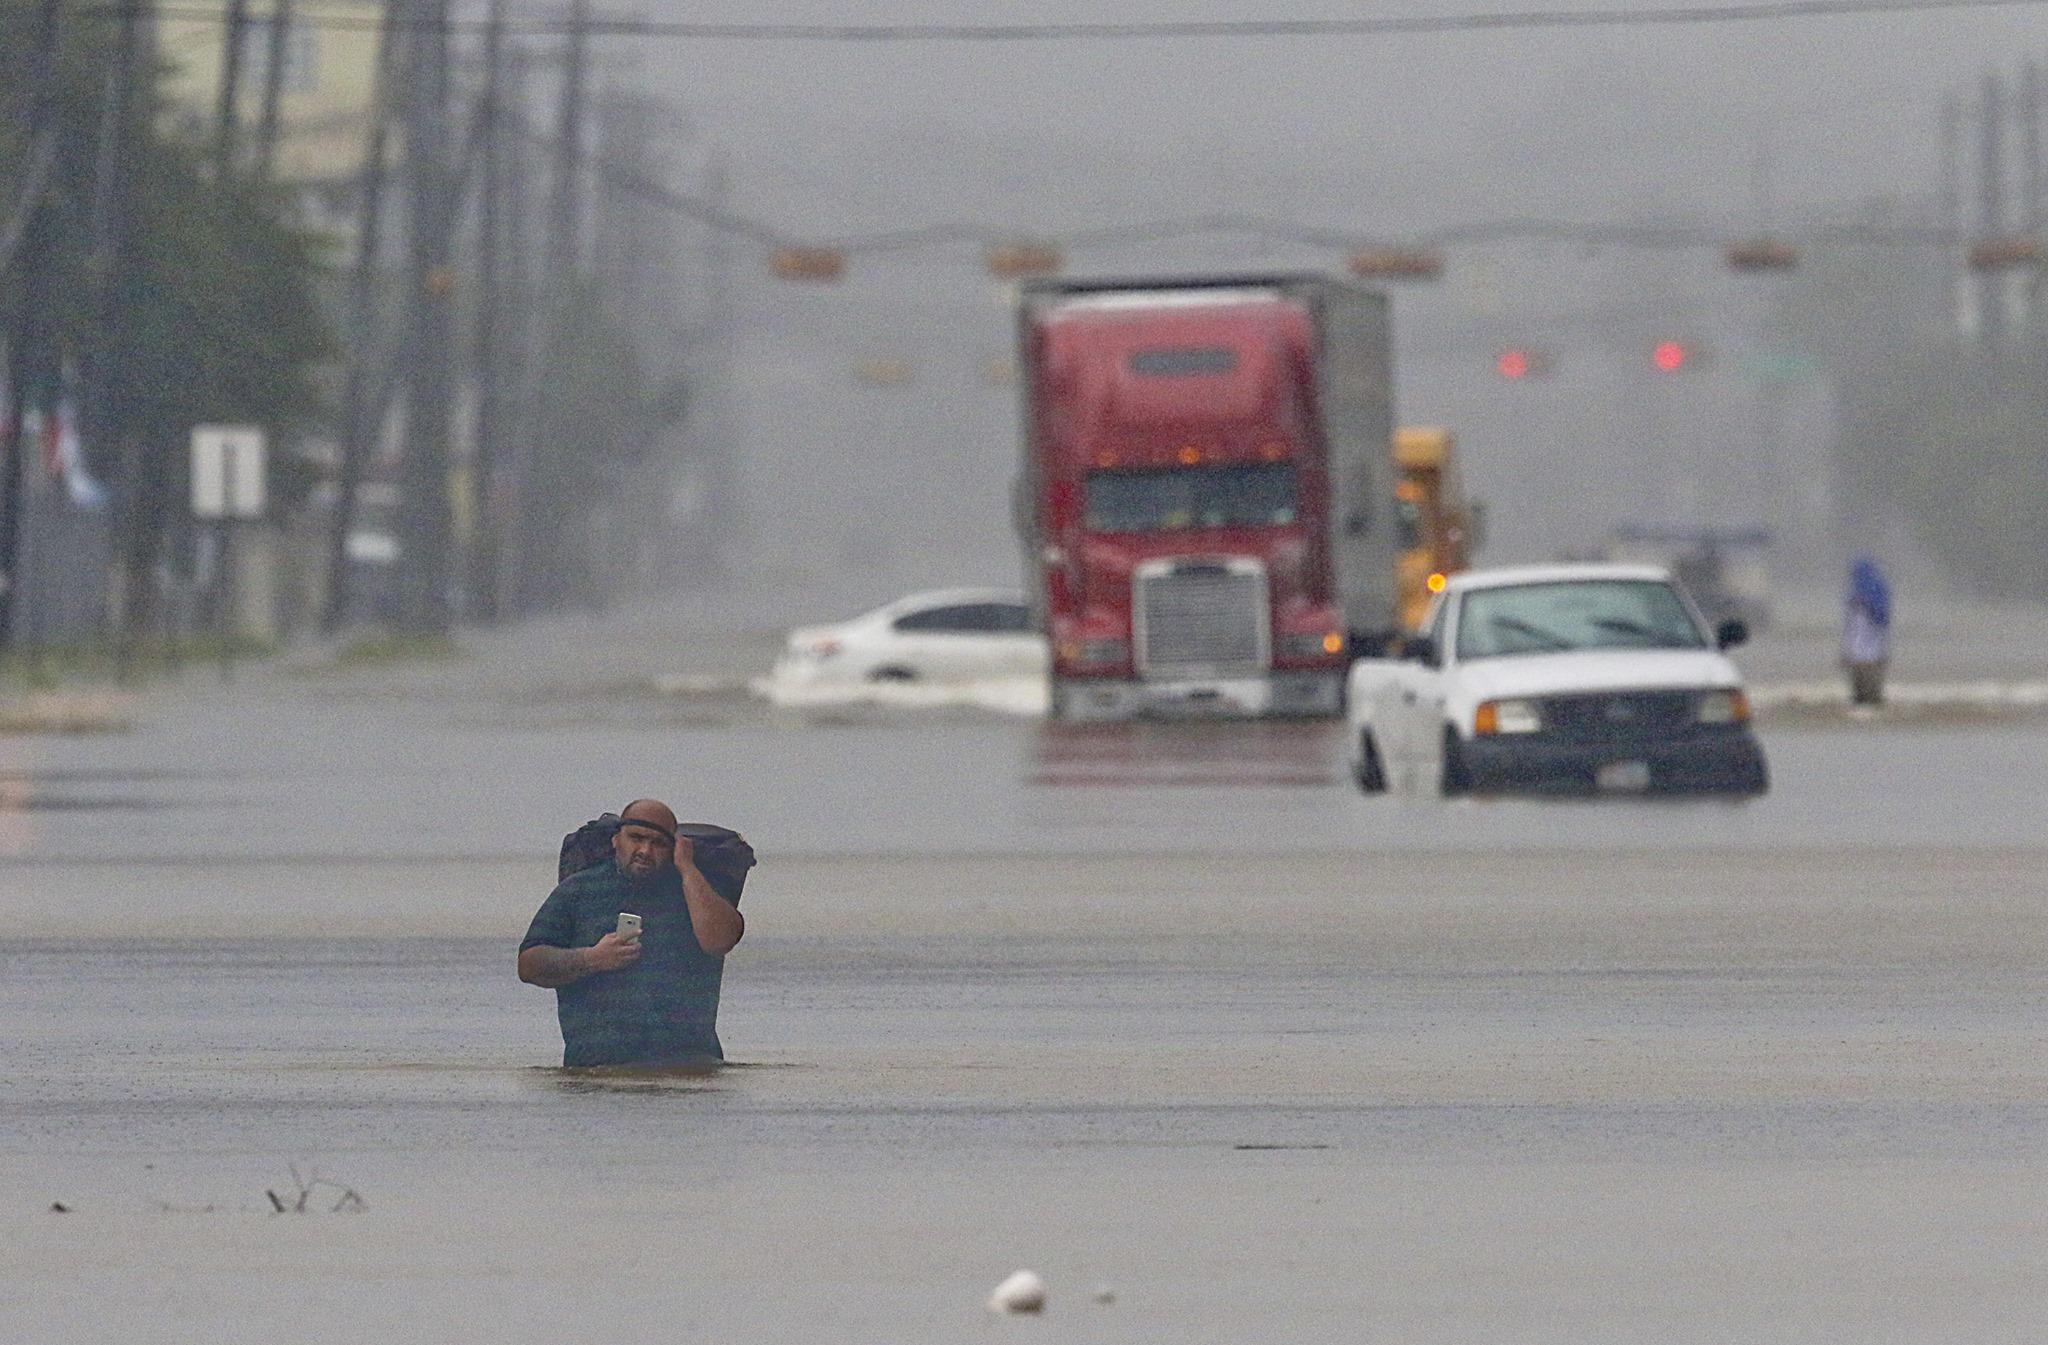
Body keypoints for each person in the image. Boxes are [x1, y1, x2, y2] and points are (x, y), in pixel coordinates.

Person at [518, 799, 746, 1067]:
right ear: (616, 839)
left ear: (674, 847)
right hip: (595, 1068)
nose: (645, 850)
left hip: (690, 1067)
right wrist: (592, 958)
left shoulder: (695, 888)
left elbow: (720, 941)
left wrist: (687, 867)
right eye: (635, 838)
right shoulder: (578, 890)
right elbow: (528, 965)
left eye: (658, 843)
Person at [1841, 555, 1892, 709]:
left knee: (1862, 690)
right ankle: (1870, 700)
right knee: (1870, 689)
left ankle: (1865, 700)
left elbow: (1852, 628)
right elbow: (1882, 618)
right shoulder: (1877, 590)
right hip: (1869, 652)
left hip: (1863, 653)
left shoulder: (1857, 595)